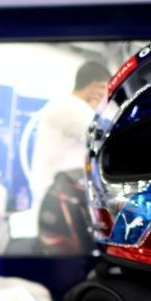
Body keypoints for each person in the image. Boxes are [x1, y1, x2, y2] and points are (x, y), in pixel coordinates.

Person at [20, 60, 110, 255]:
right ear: (94, 86)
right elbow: (106, 139)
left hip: (57, 198)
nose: (105, 96)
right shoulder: (72, 108)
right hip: (59, 202)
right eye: (104, 89)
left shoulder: (63, 105)